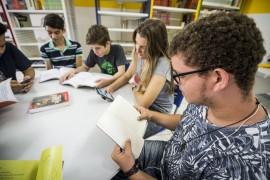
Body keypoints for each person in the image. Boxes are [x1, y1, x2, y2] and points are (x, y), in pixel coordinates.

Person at [111, 12, 270, 179]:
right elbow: (187, 122)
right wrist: (151, 115)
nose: (176, 82)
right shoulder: (209, 98)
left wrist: (131, 170)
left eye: (181, 75)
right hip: (166, 154)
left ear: (218, 79)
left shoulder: (242, 166)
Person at [106, 18, 174, 138]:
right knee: (110, 120)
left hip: (157, 113)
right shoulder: (139, 52)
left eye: (143, 46)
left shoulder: (163, 64)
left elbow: (143, 103)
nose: (137, 49)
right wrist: (111, 87)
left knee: (122, 135)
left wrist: (133, 85)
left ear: (156, 47)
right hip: (141, 96)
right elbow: (128, 75)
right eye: (136, 43)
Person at [60, 24, 127, 88]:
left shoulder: (117, 49)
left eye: (98, 48)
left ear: (107, 43)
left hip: (120, 81)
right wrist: (73, 71)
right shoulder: (94, 51)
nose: (94, 52)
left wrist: (108, 81)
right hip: (105, 82)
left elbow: (121, 72)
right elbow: (85, 67)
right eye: (92, 48)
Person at [0, 23, 35, 94]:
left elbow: (28, 69)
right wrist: (3, 89)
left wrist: (28, 78)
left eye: (2, 46)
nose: (1, 51)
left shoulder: (9, 48)